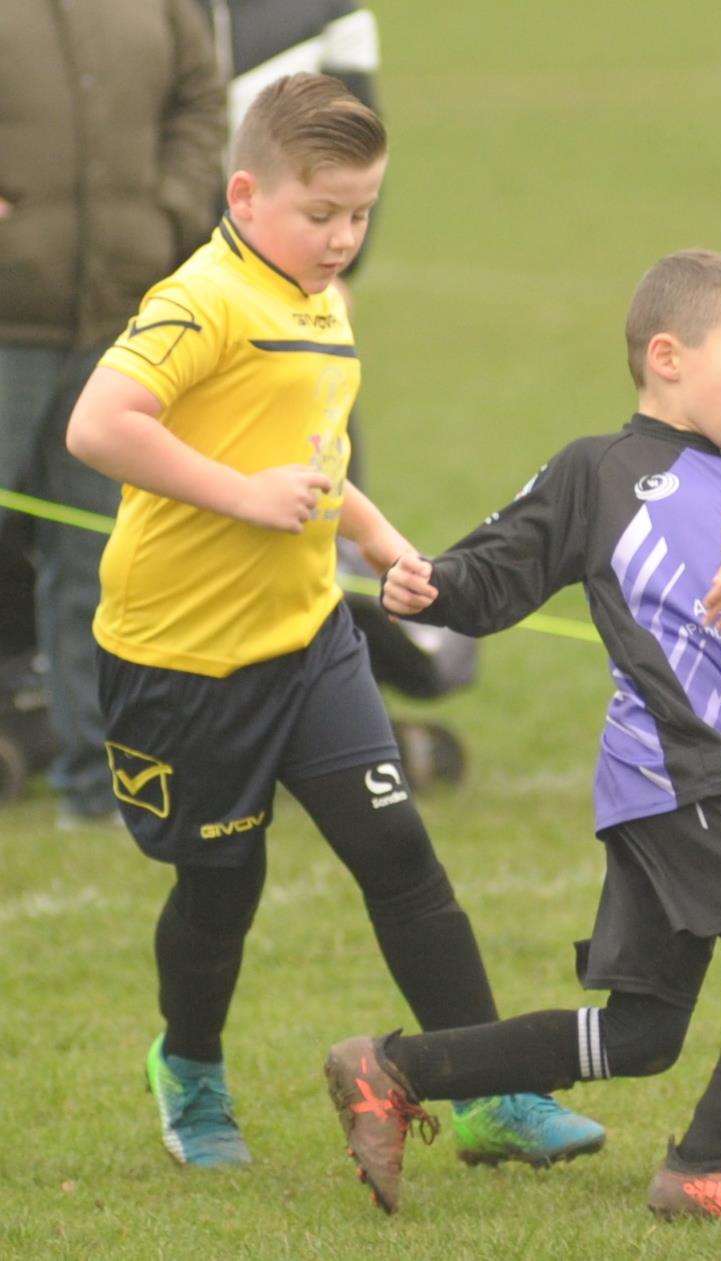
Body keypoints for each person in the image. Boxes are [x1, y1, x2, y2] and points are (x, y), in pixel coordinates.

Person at [64, 73, 600, 1171]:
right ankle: (191, 1069)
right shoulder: (200, 298)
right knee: (222, 889)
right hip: (183, 661)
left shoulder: (322, 300)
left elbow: (316, 459)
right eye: (323, 214)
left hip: (309, 639)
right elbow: (98, 425)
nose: (344, 236)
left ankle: (492, 1092)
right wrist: (240, 493)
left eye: (361, 213)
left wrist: (388, 546)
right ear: (247, 193)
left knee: (398, 849)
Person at [320, 249, 721, 1220]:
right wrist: (431, 583)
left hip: (701, 784)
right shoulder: (603, 472)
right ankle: (704, 1167)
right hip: (690, 773)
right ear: (666, 355)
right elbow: (497, 569)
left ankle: (390, 1068)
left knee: (645, 1032)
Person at [198, 0, 475, 789]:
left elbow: (359, 121)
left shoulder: (325, 10)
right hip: (183, 276)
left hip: (295, 298)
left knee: (307, 504)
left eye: (355, 217)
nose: (347, 227)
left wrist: (336, 264)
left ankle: (341, 709)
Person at [0, 0, 227, 828]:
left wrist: (164, 213)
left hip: (119, 327)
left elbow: (203, 102)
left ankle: (96, 791)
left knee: (99, 565)